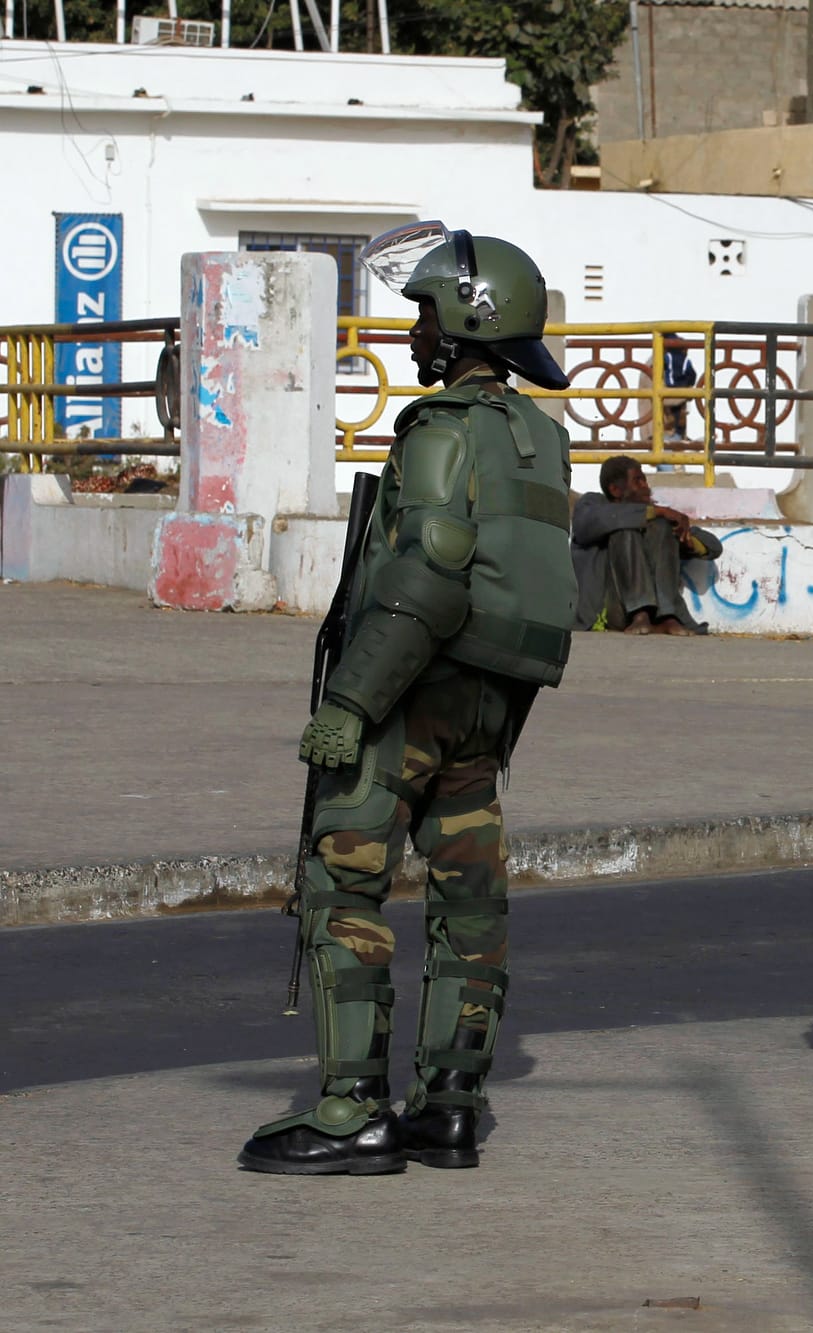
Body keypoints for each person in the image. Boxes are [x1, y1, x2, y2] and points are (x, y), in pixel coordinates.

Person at [239, 223, 578, 1175]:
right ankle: (450, 1106)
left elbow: (426, 574)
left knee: (341, 883)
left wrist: (351, 699)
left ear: (471, 319)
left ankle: (352, 1110)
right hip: (488, 702)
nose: (412, 329)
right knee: (470, 900)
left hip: (412, 688)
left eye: (424, 312)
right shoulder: (539, 438)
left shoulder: (441, 432)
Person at [570, 454, 715, 636]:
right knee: (625, 529)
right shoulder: (594, 504)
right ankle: (640, 614)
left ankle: (666, 616)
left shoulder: (659, 519)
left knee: (662, 527)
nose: (645, 487)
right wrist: (657, 511)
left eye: (645, 480)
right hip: (613, 608)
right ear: (615, 490)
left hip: (659, 611)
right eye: (637, 481)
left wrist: (685, 539)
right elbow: (589, 524)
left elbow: (713, 546)